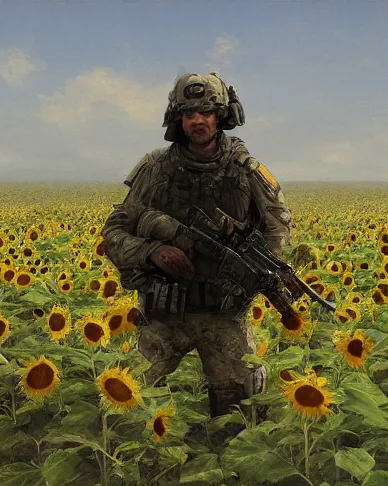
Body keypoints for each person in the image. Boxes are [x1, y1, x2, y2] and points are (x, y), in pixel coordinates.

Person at [100, 72, 293, 435]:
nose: (198, 121)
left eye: (206, 112)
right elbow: (114, 232)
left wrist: (253, 271)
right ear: (178, 119)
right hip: (164, 311)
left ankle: (230, 480)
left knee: (240, 417)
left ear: (221, 115)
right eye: (189, 114)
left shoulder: (245, 170)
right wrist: (154, 251)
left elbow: (277, 228)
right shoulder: (156, 169)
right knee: (127, 400)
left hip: (224, 313)